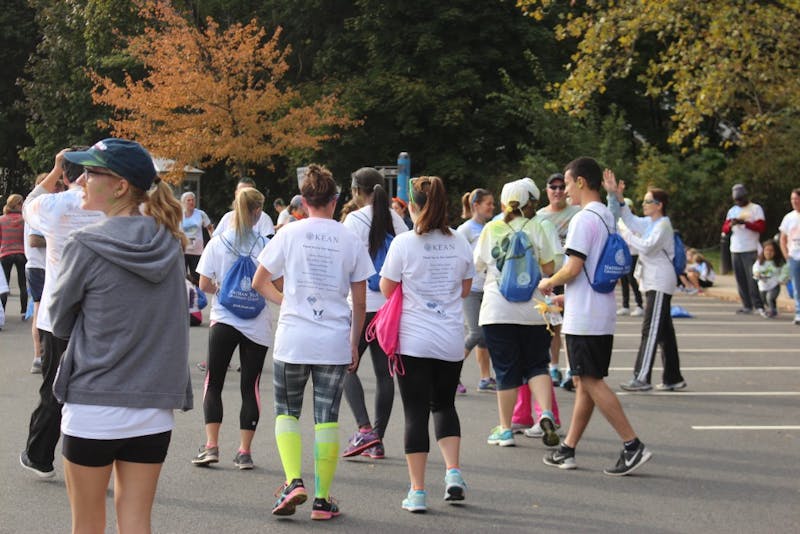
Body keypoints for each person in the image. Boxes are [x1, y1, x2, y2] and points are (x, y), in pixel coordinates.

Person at [48, 138, 193, 533]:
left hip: (94, 403)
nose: (79, 180)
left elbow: (58, 321)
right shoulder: (170, 242)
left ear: (120, 186)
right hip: (153, 408)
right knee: (137, 522)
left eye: (90, 172)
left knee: (87, 525)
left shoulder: (84, 244)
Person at [252, 164, 373, 520]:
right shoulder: (350, 238)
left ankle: (293, 481)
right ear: (335, 200)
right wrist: (354, 343)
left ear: (304, 202)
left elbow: (259, 281)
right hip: (333, 340)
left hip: (293, 338)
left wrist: (287, 302)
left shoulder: (289, 233)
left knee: (287, 412)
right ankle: (321, 499)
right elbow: (361, 303)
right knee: (327, 419)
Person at [540, 157, 652, 476]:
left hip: (585, 318)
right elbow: (593, 270)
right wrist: (566, 296)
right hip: (598, 310)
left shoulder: (583, 219)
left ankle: (632, 445)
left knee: (590, 380)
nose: (565, 190)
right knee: (583, 381)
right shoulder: (605, 216)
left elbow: (573, 268)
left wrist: (548, 282)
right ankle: (568, 448)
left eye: (567, 182)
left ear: (580, 182)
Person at [380, 175, 474, 513]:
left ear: (413, 207)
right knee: (445, 405)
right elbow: (465, 289)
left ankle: (418, 491)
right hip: (450, 339)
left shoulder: (404, 243)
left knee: (415, 413)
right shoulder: (459, 241)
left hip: (413, 341)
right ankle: (453, 473)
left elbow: (387, 288)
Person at [19, 148, 104, 479]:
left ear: (66, 175)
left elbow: (28, 204)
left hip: (57, 314)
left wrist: (54, 170)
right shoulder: (109, 206)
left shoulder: (54, 206)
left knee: (54, 388)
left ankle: (39, 456)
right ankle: (91, 463)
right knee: (94, 391)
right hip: (100, 314)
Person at [474, 178, 560, 449]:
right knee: (537, 364)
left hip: (498, 310)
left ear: (503, 202)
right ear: (530, 202)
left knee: (505, 370)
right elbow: (550, 267)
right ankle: (546, 413)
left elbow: (477, 264)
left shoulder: (491, 228)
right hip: (534, 309)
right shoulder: (538, 226)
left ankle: (505, 429)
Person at [192, 188, 273, 470]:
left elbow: (203, 284)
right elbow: (277, 284)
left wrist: (221, 289)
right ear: (258, 211)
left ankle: (211, 446)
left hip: (224, 319)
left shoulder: (218, 242)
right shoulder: (265, 245)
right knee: (250, 386)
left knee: (213, 382)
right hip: (257, 324)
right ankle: (244, 451)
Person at [340, 167, 409, 459]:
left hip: (360, 306)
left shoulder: (353, 220)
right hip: (388, 309)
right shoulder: (396, 219)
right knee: (384, 375)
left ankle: (365, 429)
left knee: (345, 366)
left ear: (357, 191)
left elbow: (343, 263)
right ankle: (377, 440)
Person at [606, 173, 686, 392]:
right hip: (653, 281)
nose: (644, 204)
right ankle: (673, 377)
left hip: (660, 282)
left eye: (648, 201)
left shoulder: (663, 226)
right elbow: (631, 220)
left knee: (650, 330)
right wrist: (619, 198)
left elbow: (646, 246)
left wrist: (626, 234)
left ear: (659, 205)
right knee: (664, 332)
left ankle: (642, 377)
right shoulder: (651, 222)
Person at [456, 188, 496, 392]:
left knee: (485, 336)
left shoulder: (491, 227)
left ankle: (485, 378)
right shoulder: (465, 230)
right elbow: (457, 258)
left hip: (487, 288)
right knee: (475, 333)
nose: (492, 207)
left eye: (493, 204)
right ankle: (450, 373)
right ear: (476, 206)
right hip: (470, 289)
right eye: (488, 203)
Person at [722, 184, 765, 314]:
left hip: (750, 248)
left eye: (741, 199)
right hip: (735, 248)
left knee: (752, 279)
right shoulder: (732, 211)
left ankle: (758, 304)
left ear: (746, 197)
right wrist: (731, 224)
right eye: (737, 200)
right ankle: (746, 304)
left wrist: (745, 223)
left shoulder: (755, 209)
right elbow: (724, 228)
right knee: (740, 279)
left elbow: (761, 227)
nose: (739, 202)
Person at [24, 174, 48, 373]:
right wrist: (61, 238)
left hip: (38, 265)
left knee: (41, 311)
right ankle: (39, 356)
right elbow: (34, 240)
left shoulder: (34, 208)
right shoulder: (39, 208)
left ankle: (40, 357)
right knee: (41, 311)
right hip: (41, 266)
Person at [616, 196, 645, 315]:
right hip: (623, 253)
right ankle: (625, 305)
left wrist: (628, 240)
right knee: (623, 279)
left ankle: (639, 305)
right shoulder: (619, 221)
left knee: (631, 279)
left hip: (633, 253)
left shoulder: (635, 221)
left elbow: (638, 237)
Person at [0, 194, 28, 316]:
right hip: (21, 253)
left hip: (5, 253)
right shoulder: (25, 220)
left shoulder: (1, 220)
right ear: (18, 204)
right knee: (22, 284)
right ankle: (23, 311)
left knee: (4, 285)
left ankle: (2, 311)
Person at [180, 191, 214, 285]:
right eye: (188, 200)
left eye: (193, 200)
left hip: (197, 251)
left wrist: (214, 241)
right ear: (183, 202)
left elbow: (210, 228)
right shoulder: (178, 214)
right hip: (182, 250)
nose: (191, 202)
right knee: (181, 276)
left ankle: (197, 293)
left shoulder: (201, 214)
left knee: (196, 278)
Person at [778, 188, 800, 324]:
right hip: (794, 256)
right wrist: (786, 255)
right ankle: (798, 313)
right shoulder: (789, 217)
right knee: (797, 287)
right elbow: (783, 238)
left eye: (796, 199)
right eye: (792, 199)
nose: (794, 201)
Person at [752, 239, 788, 318]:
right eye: (767, 250)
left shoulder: (778, 263)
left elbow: (785, 271)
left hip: (774, 284)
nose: (768, 252)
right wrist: (757, 273)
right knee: (764, 299)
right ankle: (770, 308)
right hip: (763, 285)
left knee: (770, 297)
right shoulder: (759, 262)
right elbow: (755, 269)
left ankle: (772, 311)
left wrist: (781, 279)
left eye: (771, 250)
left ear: (775, 252)